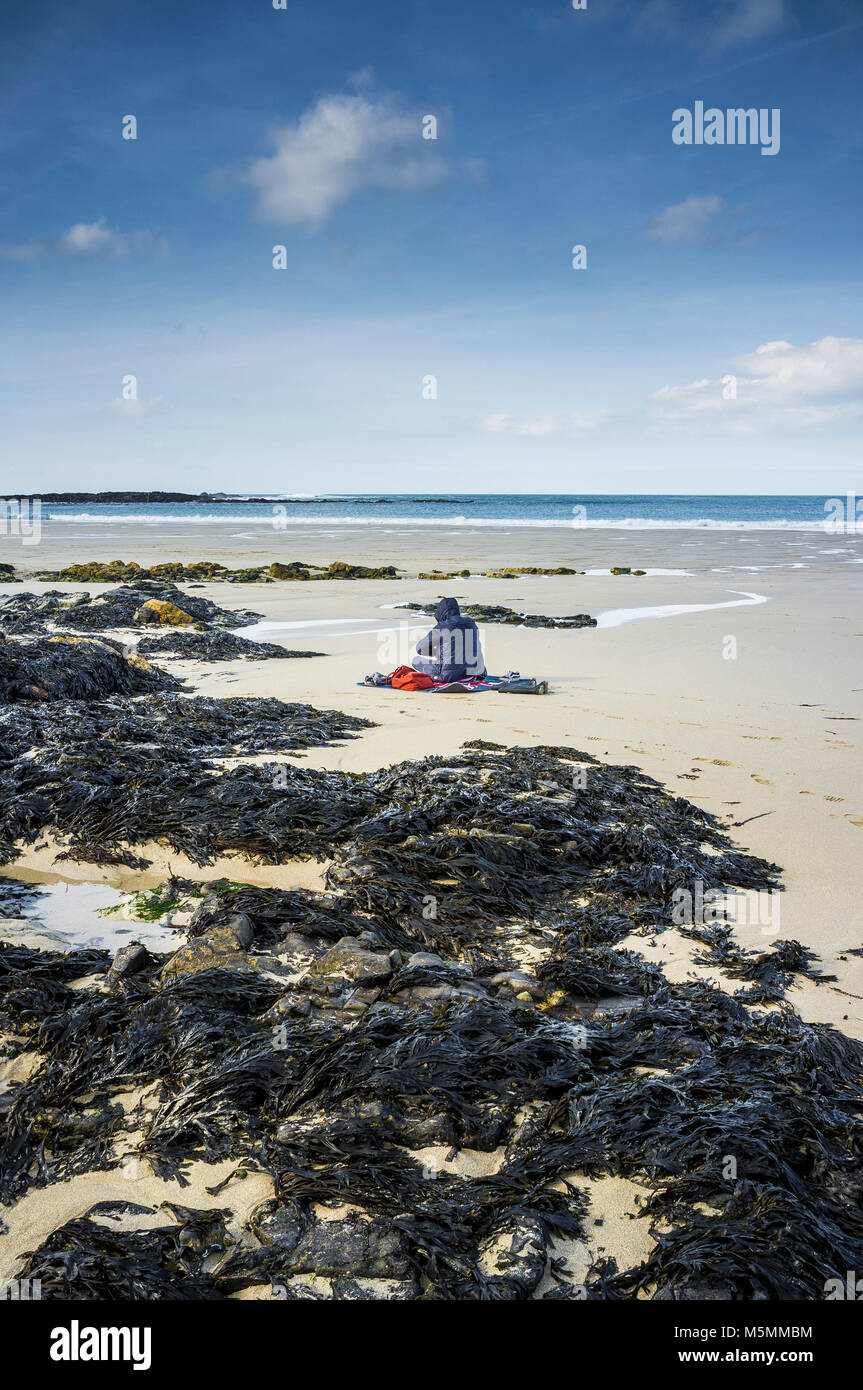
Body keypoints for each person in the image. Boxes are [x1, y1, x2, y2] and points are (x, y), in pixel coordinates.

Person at [412, 597, 486, 683]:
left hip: (448, 676)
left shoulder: (443, 626)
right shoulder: (471, 623)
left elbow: (420, 648)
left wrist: (436, 653)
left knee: (416, 660)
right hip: (471, 673)